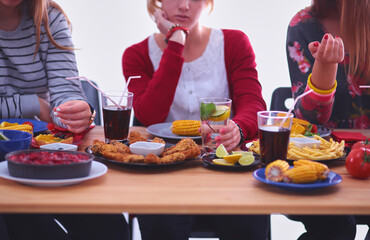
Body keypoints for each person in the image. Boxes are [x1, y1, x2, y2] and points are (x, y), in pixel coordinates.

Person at [122, 0, 268, 239]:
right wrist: (176, 42)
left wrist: (238, 128)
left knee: (248, 225)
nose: (184, 5)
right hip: (164, 172)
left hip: (225, 166)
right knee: (162, 228)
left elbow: (253, 103)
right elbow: (149, 116)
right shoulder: (136, 55)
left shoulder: (234, 43)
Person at [0, 0, 129, 239]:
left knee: (111, 228)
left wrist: (75, 110)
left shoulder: (49, 18)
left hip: (39, 152)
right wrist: (35, 104)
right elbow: (44, 108)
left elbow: (64, 92)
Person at [286, 0, 370, 239]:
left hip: (365, 159)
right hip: (319, 161)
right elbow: (307, 120)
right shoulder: (303, 25)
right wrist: (325, 66)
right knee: (335, 229)